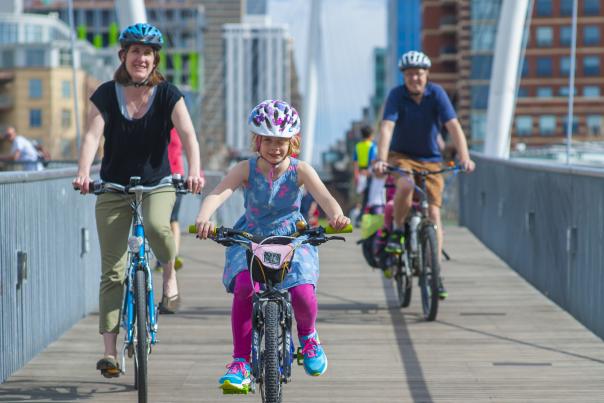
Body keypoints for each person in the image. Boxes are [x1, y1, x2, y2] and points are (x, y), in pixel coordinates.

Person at [72, 23, 204, 378]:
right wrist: (85, 172)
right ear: (123, 56)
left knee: (160, 227)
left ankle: (169, 280)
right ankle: (110, 354)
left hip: (158, 183)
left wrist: (195, 171)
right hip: (114, 186)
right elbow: (90, 136)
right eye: (135, 52)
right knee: (112, 271)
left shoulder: (168, 95)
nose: (141, 58)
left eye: (147, 53)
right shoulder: (105, 94)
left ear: (155, 59)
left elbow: (189, 135)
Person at [194, 99, 350, 392]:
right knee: (244, 287)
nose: (275, 148)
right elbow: (217, 194)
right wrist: (204, 217)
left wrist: (337, 215)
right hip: (252, 236)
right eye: (268, 140)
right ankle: (240, 361)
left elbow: (325, 197)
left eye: (282, 141)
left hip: (292, 237)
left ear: (293, 142)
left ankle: (308, 336)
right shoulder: (245, 168)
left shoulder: (300, 170)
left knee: (303, 291)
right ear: (257, 140)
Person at [373, 50, 475, 298]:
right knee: (405, 186)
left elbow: (453, 126)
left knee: (434, 212)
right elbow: (387, 127)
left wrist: (465, 156)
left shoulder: (437, 94)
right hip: (402, 157)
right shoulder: (397, 95)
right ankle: (398, 231)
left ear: (426, 74)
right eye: (409, 75)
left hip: (431, 160)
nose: (414, 79)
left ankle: (435, 272)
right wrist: (381, 160)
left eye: (418, 74)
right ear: (404, 77)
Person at [352, 124, 377, 225]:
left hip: (361, 172)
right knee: (370, 197)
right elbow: (373, 161)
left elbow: (355, 161)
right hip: (370, 173)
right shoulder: (372, 146)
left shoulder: (358, 146)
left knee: (364, 197)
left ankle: (361, 218)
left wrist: (356, 174)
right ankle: (363, 218)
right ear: (371, 135)